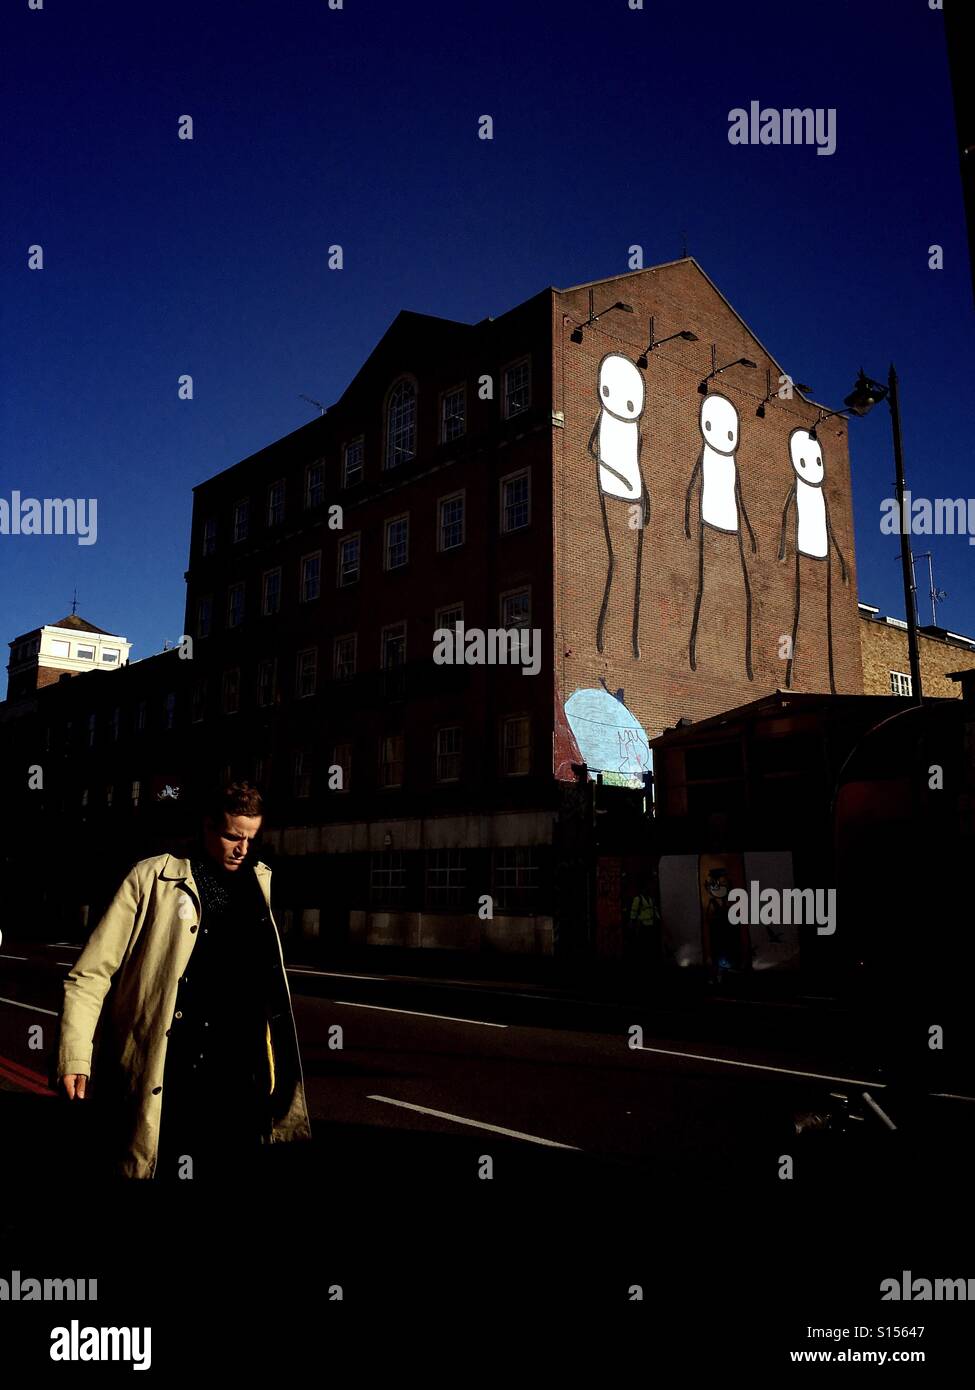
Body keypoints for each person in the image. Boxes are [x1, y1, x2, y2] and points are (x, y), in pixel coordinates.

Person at [57, 781, 312, 1181]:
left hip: (241, 1081)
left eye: (251, 838)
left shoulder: (259, 881)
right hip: (174, 1077)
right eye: (232, 836)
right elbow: (90, 974)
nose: (243, 849)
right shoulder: (150, 879)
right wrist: (75, 1055)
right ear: (207, 826)